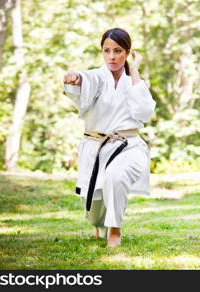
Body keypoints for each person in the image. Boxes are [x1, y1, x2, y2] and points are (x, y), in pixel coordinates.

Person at [62, 28, 156, 247]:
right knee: (94, 214)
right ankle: (101, 224)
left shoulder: (134, 81)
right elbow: (85, 79)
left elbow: (145, 112)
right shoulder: (96, 77)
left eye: (118, 51)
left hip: (129, 147)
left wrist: (134, 72)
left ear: (127, 52)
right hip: (97, 148)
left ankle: (115, 230)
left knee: (116, 175)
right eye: (107, 51)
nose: (112, 56)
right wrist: (75, 78)